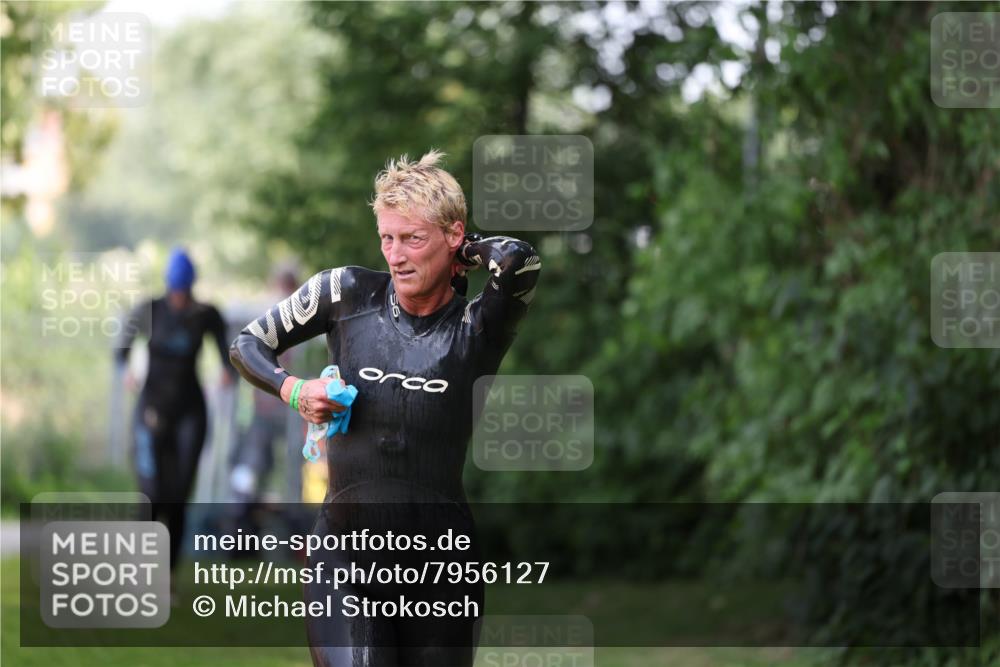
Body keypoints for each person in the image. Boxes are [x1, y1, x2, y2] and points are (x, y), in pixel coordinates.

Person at [229, 150, 540, 667]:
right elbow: (246, 345)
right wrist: (294, 390)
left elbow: (518, 258)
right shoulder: (346, 294)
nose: (396, 255)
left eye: (413, 238)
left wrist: (466, 253)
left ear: (454, 236)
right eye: (387, 238)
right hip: (346, 556)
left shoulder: (478, 327)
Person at [116, 248, 236, 573]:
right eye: (175, 290)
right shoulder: (149, 310)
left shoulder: (205, 314)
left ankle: (167, 574)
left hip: (190, 412)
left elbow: (230, 354)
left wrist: (227, 372)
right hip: (151, 410)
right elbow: (121, 347)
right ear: (169, 287)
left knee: (179, 494)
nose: (180, 297)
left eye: (185, 291)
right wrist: (126, 370)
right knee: (152, 493)